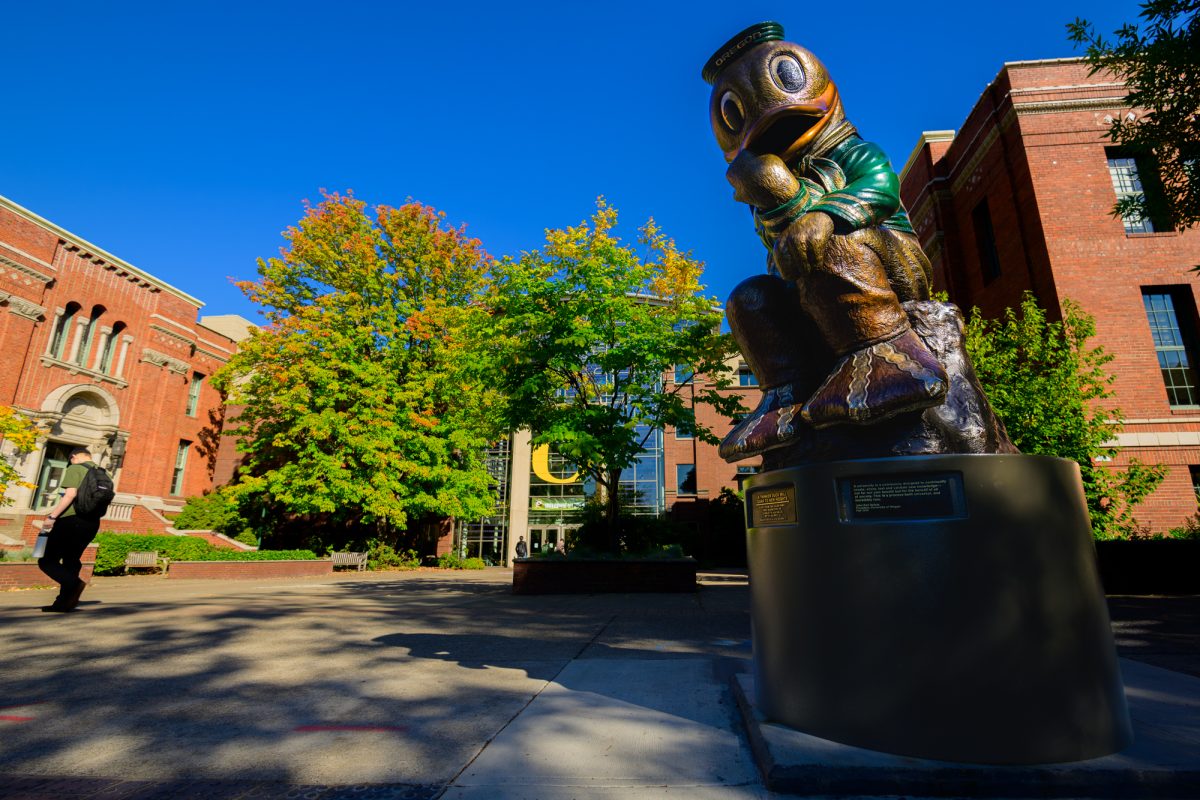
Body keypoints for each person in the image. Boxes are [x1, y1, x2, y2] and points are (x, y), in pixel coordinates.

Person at [37, 447, 103, 612]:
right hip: (92, 523)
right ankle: (64, 602)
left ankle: (74, 584)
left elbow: (70, 494)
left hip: (71, 520)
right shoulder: (103, 473)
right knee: (71, 560)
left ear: (73, 457)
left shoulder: (76, 468)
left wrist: (52, 517)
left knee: (46, 560)